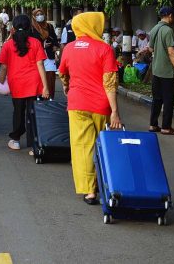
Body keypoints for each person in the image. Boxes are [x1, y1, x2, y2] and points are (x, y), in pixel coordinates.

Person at [58, 12, 122, 205]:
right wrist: (115, 112)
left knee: (82, 147)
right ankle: (106, 184)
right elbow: (110, 83)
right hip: (101, 106)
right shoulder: (105, 49)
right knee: (102, 146)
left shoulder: (69, 48)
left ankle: (89, 191)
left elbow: (63, 74)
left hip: (77, 104)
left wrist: (68, 88)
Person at [0, 15, 50, 150]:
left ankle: (16, 140)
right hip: (34, 83)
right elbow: (40, 65)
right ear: (30, 27)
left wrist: (1, 83)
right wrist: (45, 87)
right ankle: (34, 145)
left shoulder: (8, 44)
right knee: (32, 113)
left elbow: (4, 67)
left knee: (18, 112)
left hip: (16, 83)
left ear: (13, 28)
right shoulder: (36, 42)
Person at [147, 6, 174, 135]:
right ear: (170, 15)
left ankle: (153, 124)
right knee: (168, 100)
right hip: (167, 72)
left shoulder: (154, 29)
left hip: (156, 70)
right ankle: (166, 127)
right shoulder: (168, 30)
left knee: (156, 99)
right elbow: (171, 52)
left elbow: (150, 49)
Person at [30, 8, 59, 98]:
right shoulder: (32, 28)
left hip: (49, 54)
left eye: (41, 14)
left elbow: (54, 38)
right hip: (38, 55)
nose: (40, 16)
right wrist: (42, 45)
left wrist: (55, 46)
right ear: (34, 17)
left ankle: (49, 96)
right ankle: (39, 95)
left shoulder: (49, 26)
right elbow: (31, 42)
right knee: (39, 76)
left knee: (50, 75)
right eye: (37, 15)